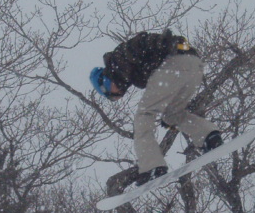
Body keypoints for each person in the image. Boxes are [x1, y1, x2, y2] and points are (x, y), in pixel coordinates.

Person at [90, 29, 223, 185]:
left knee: (144, 115)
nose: (118, 95)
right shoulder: (126, 69)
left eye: (111, 94)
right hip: (193, 65)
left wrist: (163, 43)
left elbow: (140, 42)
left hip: (172, 63)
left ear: (105, 82)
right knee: (172, 115)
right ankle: (209, 136)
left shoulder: (117, 60)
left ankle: (152, 166)